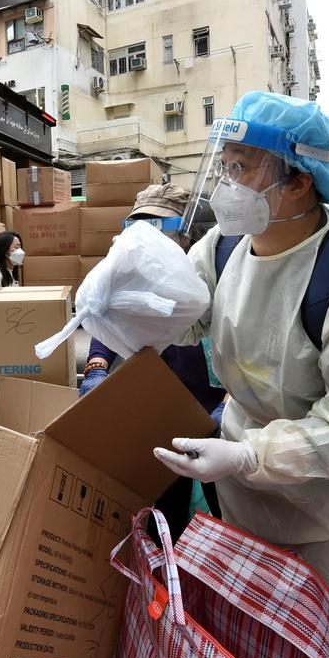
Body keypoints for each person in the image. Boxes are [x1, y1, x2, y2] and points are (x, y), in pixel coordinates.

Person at [153, 91, 329, 658]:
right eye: (222, 165)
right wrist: (130, 293)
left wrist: (247, 455)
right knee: (259, 641)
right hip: (252, 498)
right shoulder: (225, 247)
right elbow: (183, 316)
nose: (227, 183)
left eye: (243, 166)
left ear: (301, 181)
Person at [78, 182, 226, 537]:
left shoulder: (210, 273)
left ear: (186, 233)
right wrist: (95, 369)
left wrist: (229, 403)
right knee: (164, 515)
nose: (148, 238)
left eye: (160, 226)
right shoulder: (132, 275)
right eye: (138, 226)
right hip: (158, 415)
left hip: (210, 414)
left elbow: (241, 347)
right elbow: (106, 322)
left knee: (224, 514)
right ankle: (166, 583)